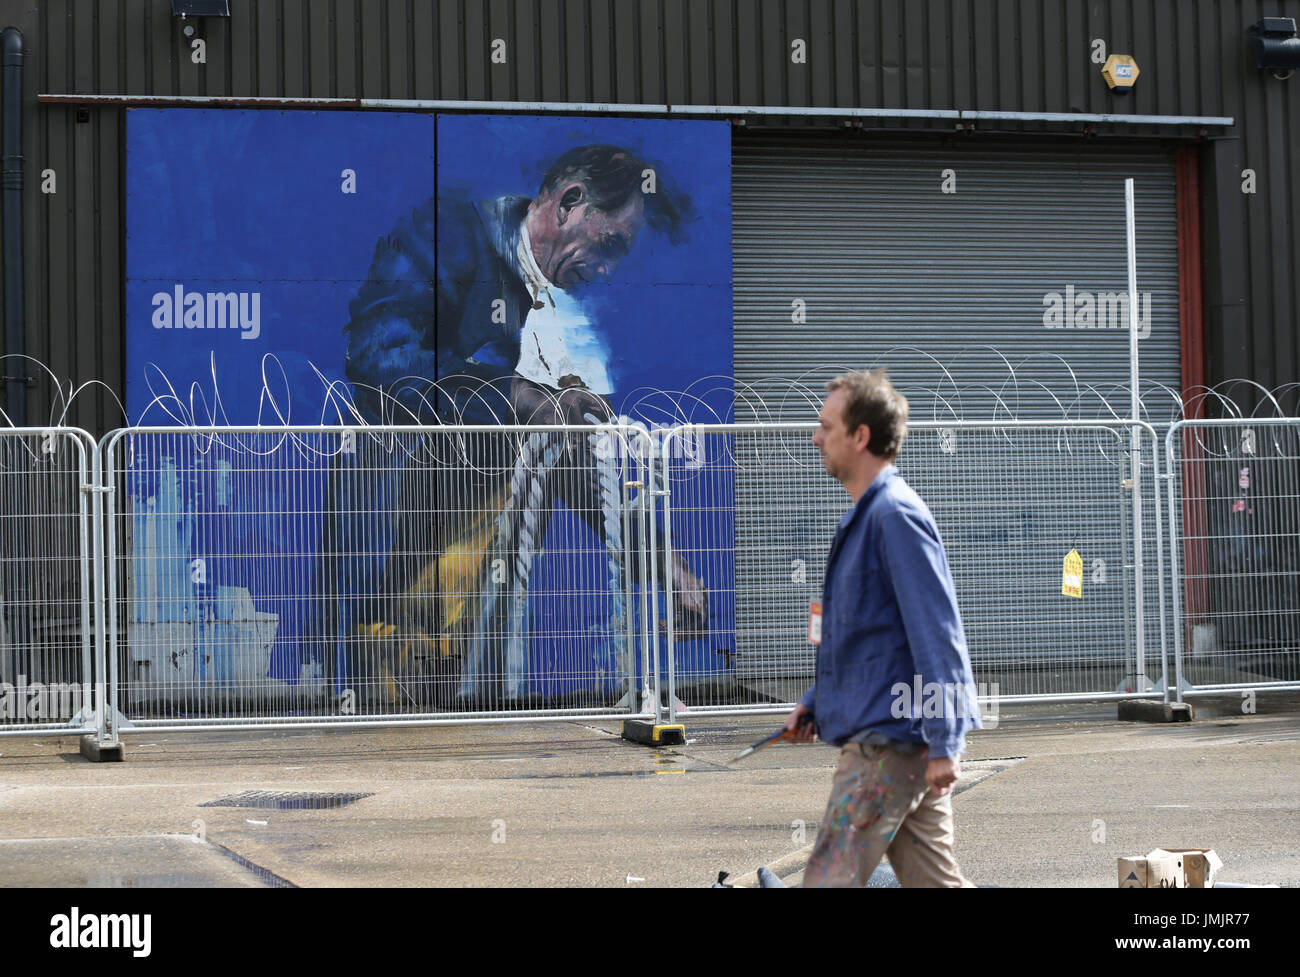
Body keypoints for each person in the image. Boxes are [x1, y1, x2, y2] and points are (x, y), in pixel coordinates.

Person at [324, 144, 705, 704]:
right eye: (609, 245)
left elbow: (576, 461)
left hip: (475, 625)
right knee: (398, 758)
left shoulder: (557, 313)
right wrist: (513, 397)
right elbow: (378, 357)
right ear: (570, 202)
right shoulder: (449, 235)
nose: (607, 269)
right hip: (401, 593)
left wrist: (661, 559)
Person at [784, 369, 981, 888]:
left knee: (827, 882)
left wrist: (945, 741)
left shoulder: (895, 516)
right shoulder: (866, 517)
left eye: (826, 426)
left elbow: (937, 633)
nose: (815, 437)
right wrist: (816, 700)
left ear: (861, 436)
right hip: (896, 740)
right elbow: (869, 639)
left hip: (888, 747)